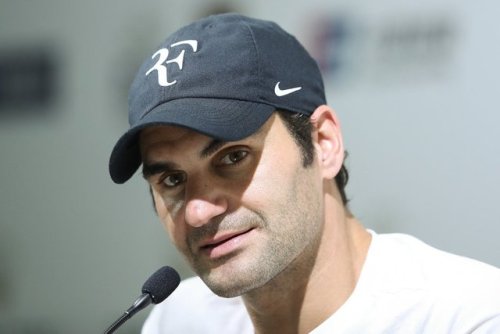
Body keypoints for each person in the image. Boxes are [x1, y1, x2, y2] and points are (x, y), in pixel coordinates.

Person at [108, 13, 500, 333]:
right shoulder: (179, 321)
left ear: (323, 143)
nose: (198, 212)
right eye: (172, 180)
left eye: (233, 157)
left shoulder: (467, 318)